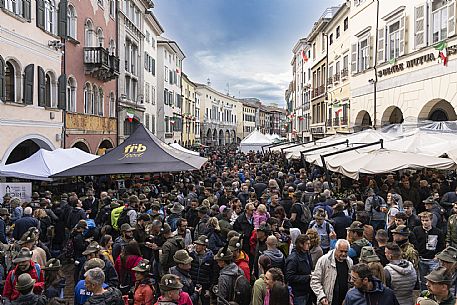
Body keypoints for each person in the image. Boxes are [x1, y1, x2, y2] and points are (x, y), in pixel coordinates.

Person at [310, 239, 353, 305]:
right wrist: (322, 297)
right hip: (327, 301)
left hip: (343, 300)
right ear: (336, 249)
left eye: (346, 252)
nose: (343, 254)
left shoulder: (349, 262)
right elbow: (315, 281)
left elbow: (350, 282)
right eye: (341, 251)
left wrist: (348, 297)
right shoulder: (324, 260)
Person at [414, 212, 445, 290]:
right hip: (421, 259)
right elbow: (414, 243)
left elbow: (442, 245)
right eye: (423, 220)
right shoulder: (416, 230)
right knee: (422, 280)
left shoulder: (438, 232)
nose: (425, 222)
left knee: (434, 279)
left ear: (431, 220)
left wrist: (437, 255)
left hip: (433, 259)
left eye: (427, 220)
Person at [285, 234, 313, 305]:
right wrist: (307, 277)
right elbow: (289, 277)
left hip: (307, 290)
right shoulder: (293, 259)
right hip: (298, 293)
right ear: (300, 244)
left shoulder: (307, 253)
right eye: (307, 244)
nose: (309, 245)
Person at [189, 235, 217, 305]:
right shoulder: (191, 255)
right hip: (193, 285)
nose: (197, 246)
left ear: (204, 246)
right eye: (196, 244)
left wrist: (209, 288)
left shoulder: (211, 258)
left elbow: (214, 274)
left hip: (205, 287)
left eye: (199, 244)